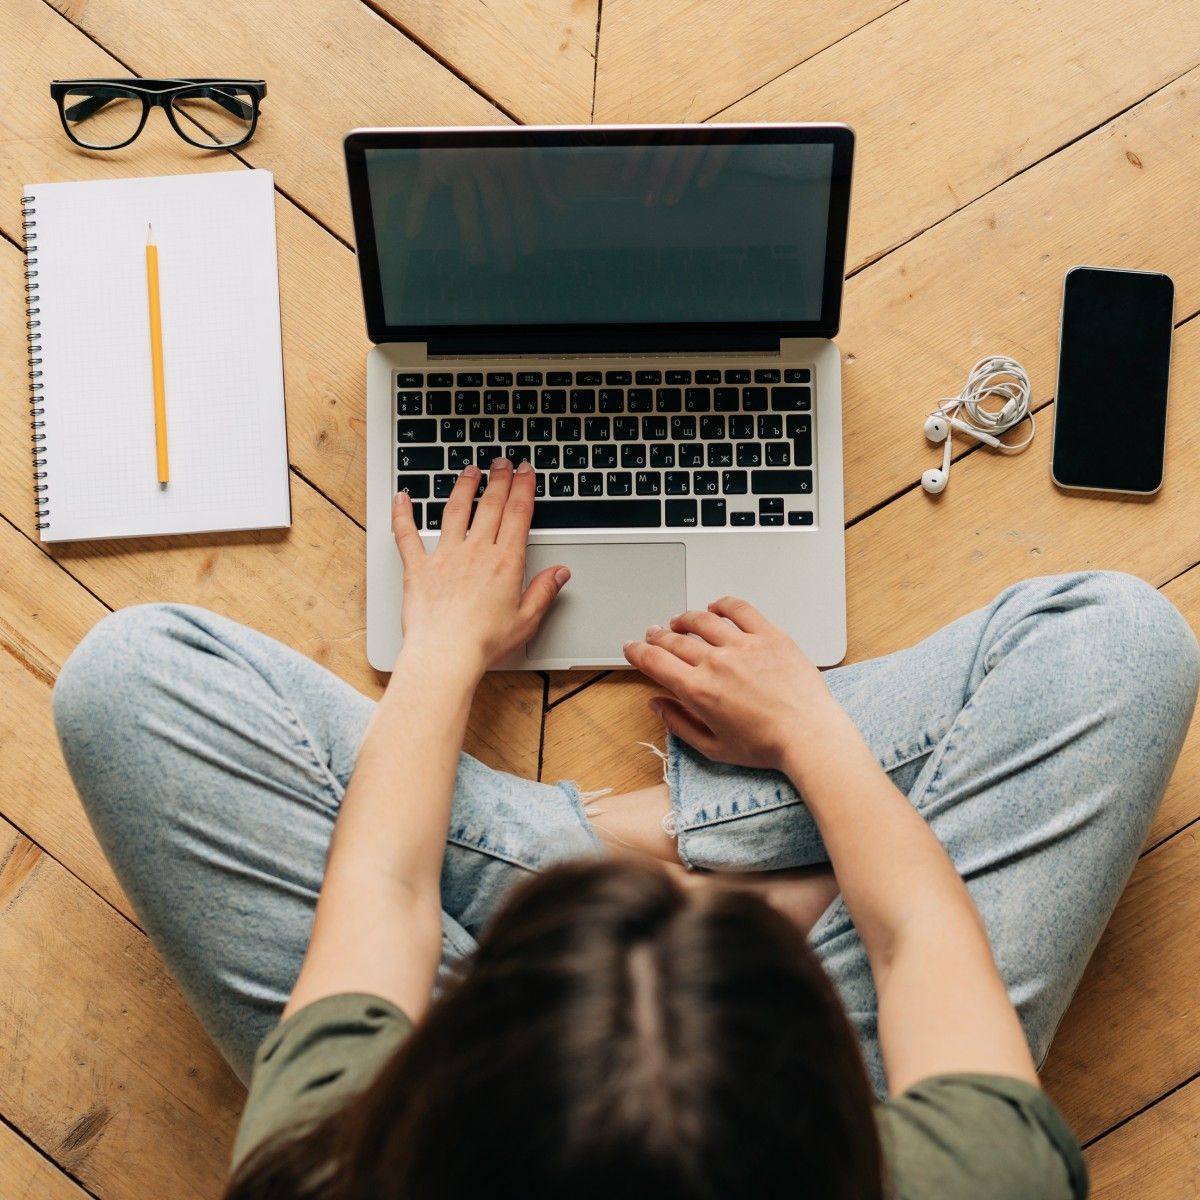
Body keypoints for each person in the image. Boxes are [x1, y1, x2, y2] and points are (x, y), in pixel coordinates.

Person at [53, 458, 1199, 1199]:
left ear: (443, 1066)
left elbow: (391, 896)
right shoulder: (964, 1182)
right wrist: (806, 729)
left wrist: (446, 646)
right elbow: (910, 941)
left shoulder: (336, 1166)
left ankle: (592, 849)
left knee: (129, 680)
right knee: (1119, 641)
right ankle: (739, 867)